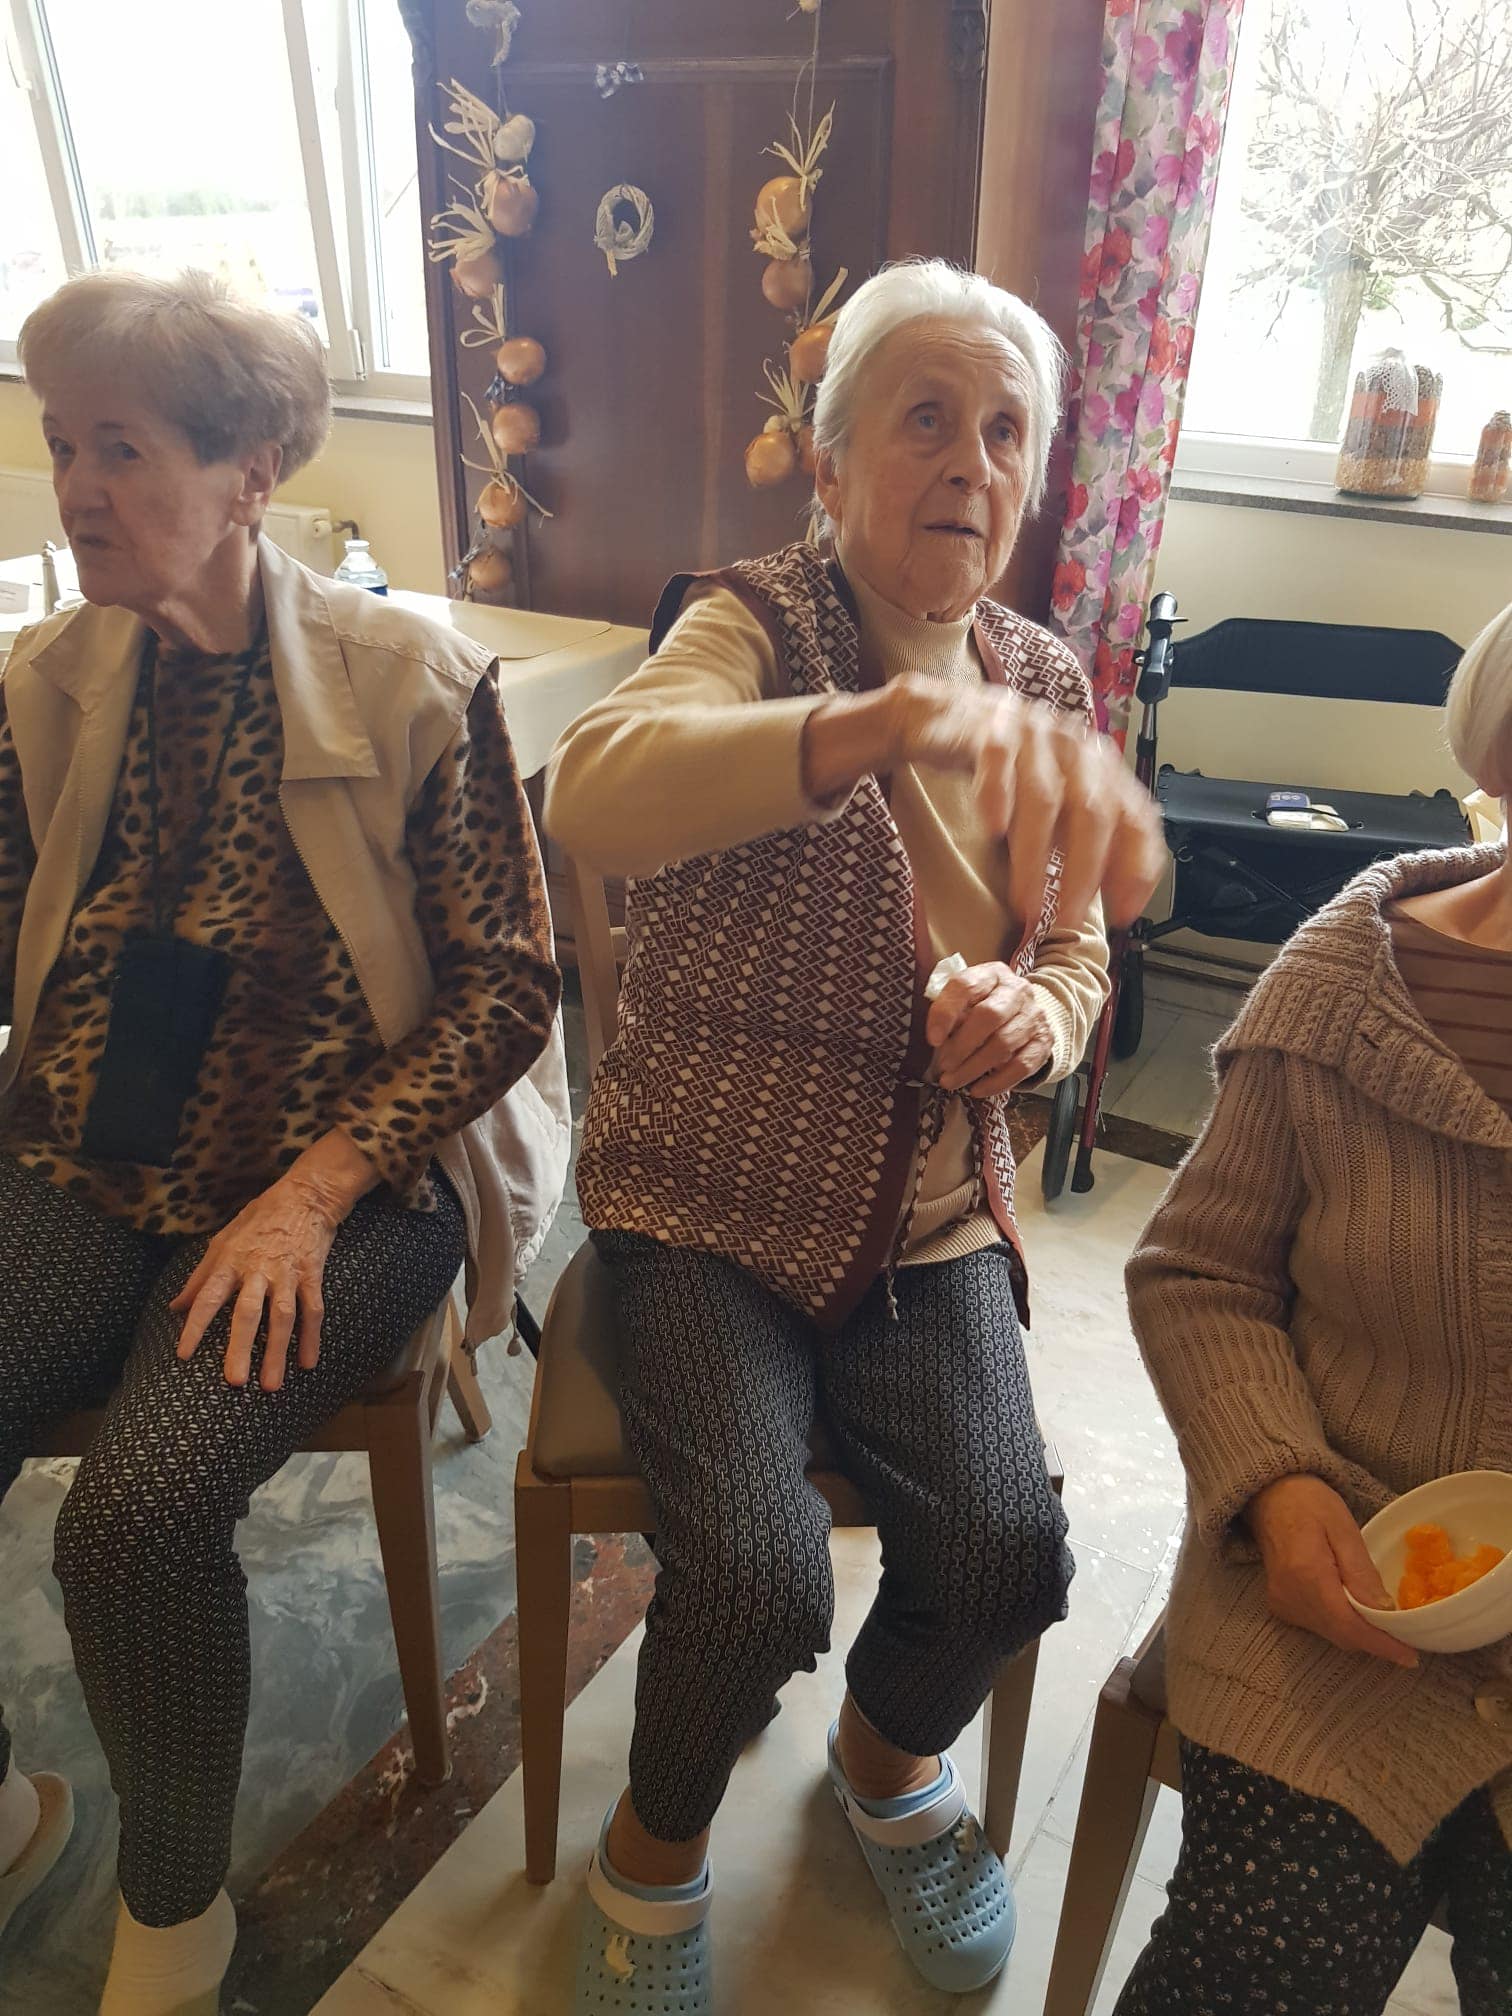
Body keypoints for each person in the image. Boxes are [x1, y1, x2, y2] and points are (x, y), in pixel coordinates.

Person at [546, 257, 1165, 2009]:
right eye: (926, 420)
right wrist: (872, 724)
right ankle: (650, 1854)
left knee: (1006, 1553)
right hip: (706, 1206)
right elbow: (596, 789)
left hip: (924, 1217)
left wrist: (1035, 1019)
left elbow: (1074, 944)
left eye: (1006, 431)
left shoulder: (1043, 677)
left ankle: (889, 1765)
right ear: (827, 464)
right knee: (754, 1577)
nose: (972, 461)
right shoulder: (750, 622)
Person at [0, 270, 568, 2014]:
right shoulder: (45, 678)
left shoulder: (409, 679)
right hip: (93, 1149)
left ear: (251, 470)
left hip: (352, 1175)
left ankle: (177, 1916)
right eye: (61, 445)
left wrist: (313, 1196)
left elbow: (508, 989)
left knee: (134, 1519)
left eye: (122, 449)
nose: (77, 489)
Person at [1117, 601, 1512, 2015]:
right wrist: (1278, 1486)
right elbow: (1200, 1273)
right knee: (1260, 1966)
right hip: (1341, 1597)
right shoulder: (1355, 981)